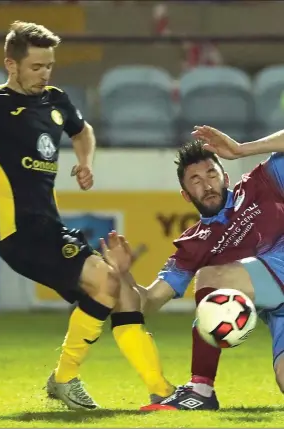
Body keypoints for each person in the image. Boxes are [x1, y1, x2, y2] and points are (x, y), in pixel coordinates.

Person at [0, 21, 174, 410]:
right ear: (10, 64)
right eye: (36, 66)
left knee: (122, 292)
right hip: (19, 231)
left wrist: (86, 162)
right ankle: (65, 379)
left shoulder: (56, 100)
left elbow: (84, 131)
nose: (45, 73)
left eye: (49, 65)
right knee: (107, 280)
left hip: (49, 225)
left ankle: (161, 391)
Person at [103, 128, 284, 411]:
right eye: (196, 181)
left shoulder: (262, 182)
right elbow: (148, 302)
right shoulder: (192, 245)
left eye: (212, 174)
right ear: (186, 194)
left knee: (211, 276)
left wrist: (241, 150)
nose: (207, 184)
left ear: (225, 177)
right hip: (279, 311)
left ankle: (200, 389)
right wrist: (124, 275)